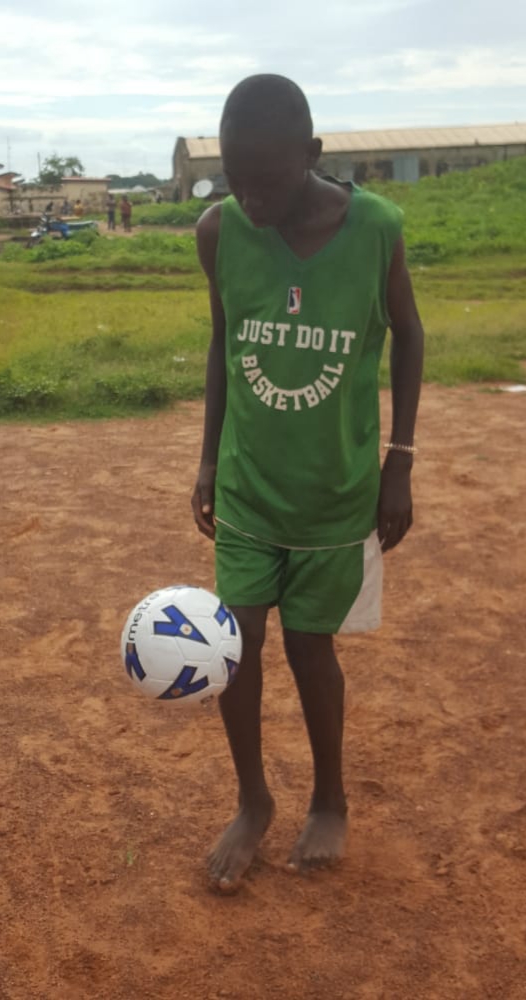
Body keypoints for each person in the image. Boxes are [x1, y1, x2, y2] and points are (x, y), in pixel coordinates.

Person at [191, 74, 424, 893]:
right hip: (250, 484)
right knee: (234, 643)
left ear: (312, 155)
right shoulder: (219, 232)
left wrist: (400, 460)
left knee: (309, 646)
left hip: (337, 489)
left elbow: (409, 336)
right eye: (235, 180)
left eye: (266, 180)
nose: (250, 200)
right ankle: (253, 801)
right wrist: (208, 461)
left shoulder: (376, 228)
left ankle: (330, 797)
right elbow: (223, 345)